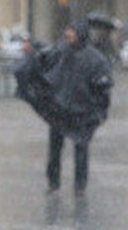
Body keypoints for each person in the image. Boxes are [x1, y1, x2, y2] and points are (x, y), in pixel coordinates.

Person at [38, 20, 112, 194]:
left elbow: (103, 88)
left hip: (82, 112)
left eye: (72, 31)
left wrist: (100, 111)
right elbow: (44, 69)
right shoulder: (60, 52)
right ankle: (53, 182)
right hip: (59, 110)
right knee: (55, 149)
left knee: (81, 149)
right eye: (68, 31)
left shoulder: (95, 58)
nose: (68, 35)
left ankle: (80, 185)